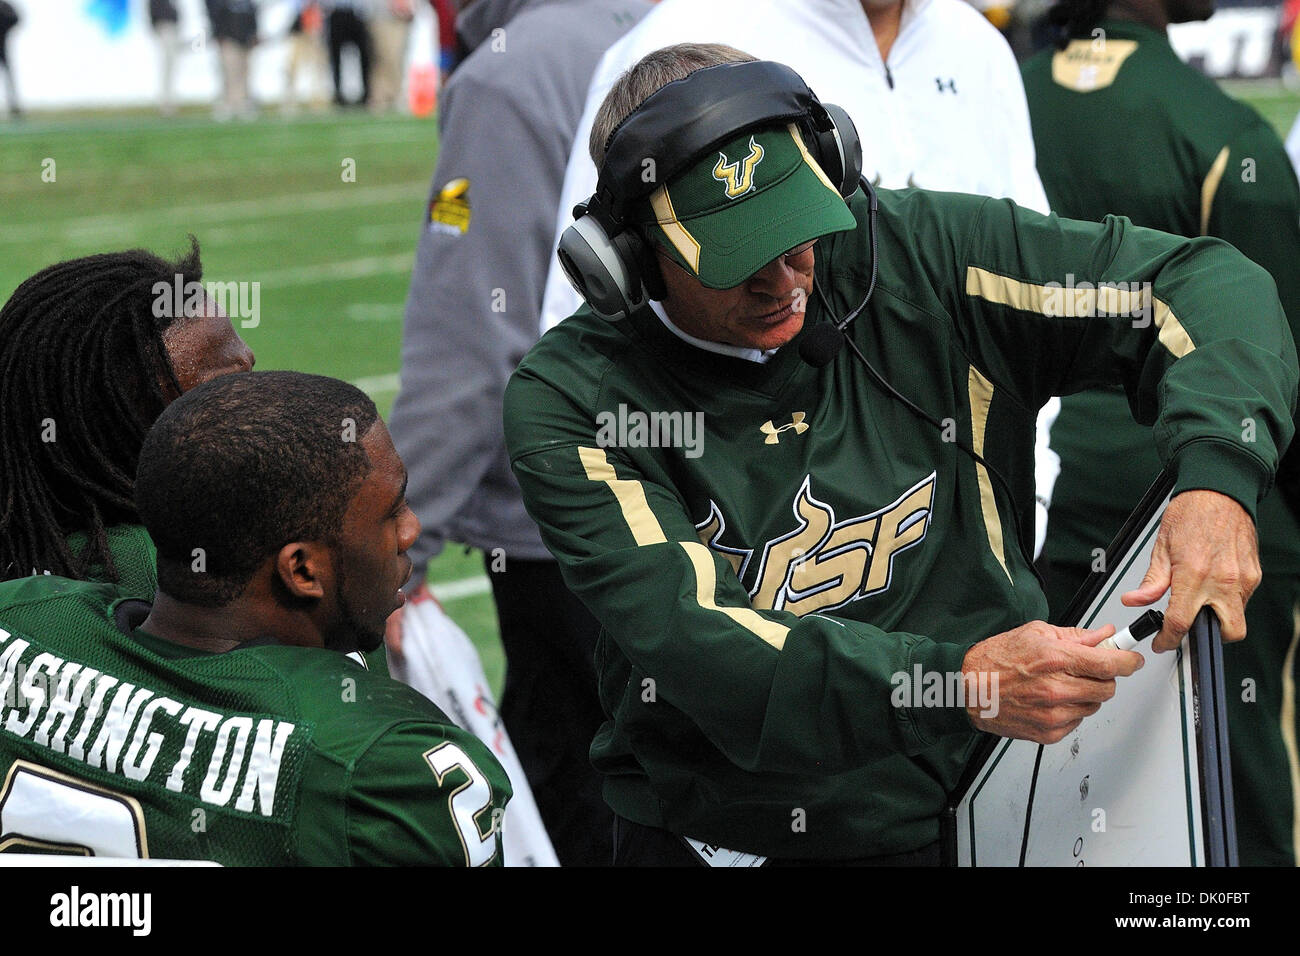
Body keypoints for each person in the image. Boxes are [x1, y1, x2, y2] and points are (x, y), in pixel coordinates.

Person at [503, 44, 1297, 864]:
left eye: (796, 230)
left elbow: (1202, 283)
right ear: (628, 260)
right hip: (727, 841)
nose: (784, 279)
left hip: (986, 809)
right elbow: (713, 655)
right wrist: (959, 683)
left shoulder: (924, 253)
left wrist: (1216, 478)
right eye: (738, 259)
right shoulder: (572, 400)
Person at [536, 0, 1066, 556]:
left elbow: (1025, 292)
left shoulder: (975, 41)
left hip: (986, 523)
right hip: (768, 555)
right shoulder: (683, 35)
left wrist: (1031, 482)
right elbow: (598, 291)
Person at [0, 371, 512, 865]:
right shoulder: (381, 766)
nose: (412, 530)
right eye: (391, 512)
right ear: (303, 570)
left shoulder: (18, 616)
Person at [1022, 0, 1300, 866]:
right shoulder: (1225, 134)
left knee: (1045, 802)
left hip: (1024, 499)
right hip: (1212, 505)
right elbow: (1278, 357)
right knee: (1230, 800)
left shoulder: (1004, 91)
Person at [387, 0, 650, 866]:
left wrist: (395, 548)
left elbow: (472, 340)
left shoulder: (510, 71)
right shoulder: (681, 20)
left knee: (580, 812)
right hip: (749, 500)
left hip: (576, 528)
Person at [0, 242, 254, 596]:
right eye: (225, 390)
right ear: (117, 421)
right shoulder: (159, 576)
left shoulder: (28, 531)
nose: (256, 401)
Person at [325, 0, 374, 107]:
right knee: (335, 57)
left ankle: (366, 94)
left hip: (357, 14)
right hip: (336, 12)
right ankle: (338, 94)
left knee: (365, 56)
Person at [150, 0, 181, 116]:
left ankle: (169, 101)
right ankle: (166, 103)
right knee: (167, 66)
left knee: (171, 66)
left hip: (171, 26)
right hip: (165, 26)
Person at [0, 0, 19, 119]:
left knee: (9, 79)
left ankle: (14, 108)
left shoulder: (4, 7)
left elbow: (15, 19)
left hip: (2, 46)